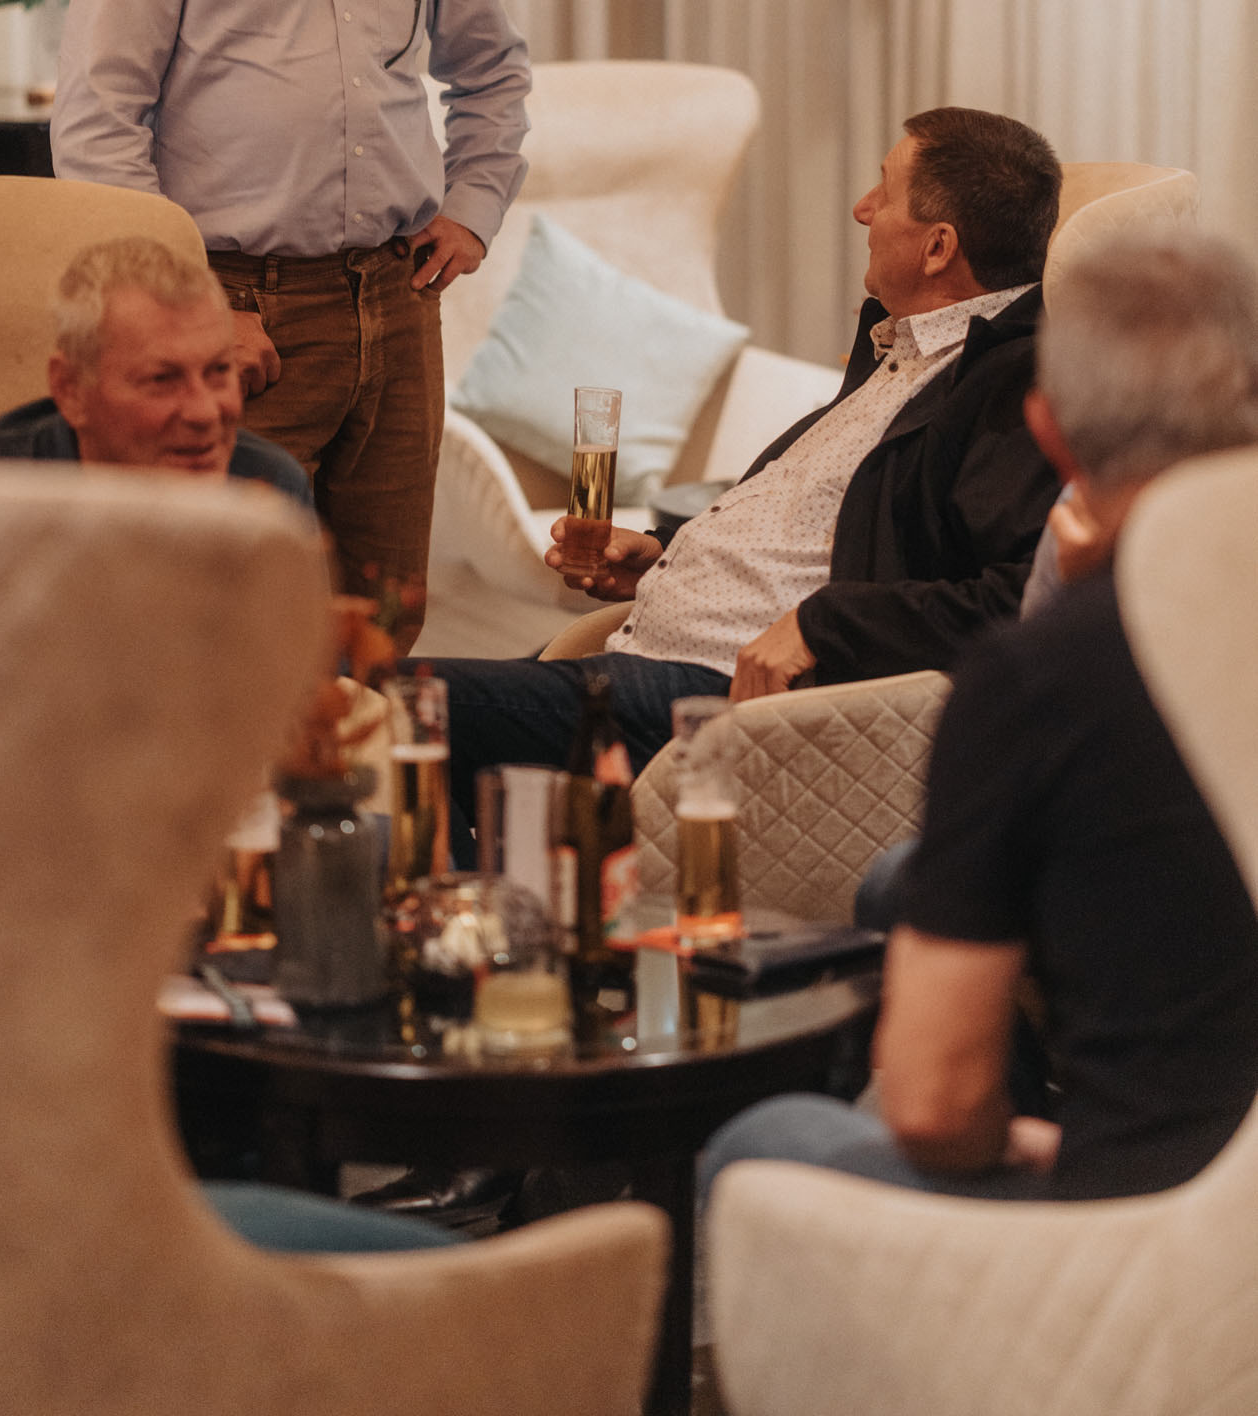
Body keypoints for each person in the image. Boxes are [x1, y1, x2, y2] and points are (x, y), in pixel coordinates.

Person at [702, 229, 1258, 1203]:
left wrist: (1030, 1142)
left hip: (1170, 1236)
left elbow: (932, 1109)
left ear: (1048, 432)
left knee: (765, 1139)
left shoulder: (1041, 676)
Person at [50, 0, 532, 642]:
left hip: (397, 305)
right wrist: (198, 308)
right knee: (227, 625)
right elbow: (97, 126)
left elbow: (491, 68)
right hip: (239, 316)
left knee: (386, 620)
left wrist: (474, 206)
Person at [415, 105, 1065, 842]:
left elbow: (1024, 594)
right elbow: (820, 525)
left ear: (938, 247)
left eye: (883, 192)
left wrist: (822, 625)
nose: (862, 209)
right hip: (645, 656)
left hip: (721, 696)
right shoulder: (903, 354)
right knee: (414, 738)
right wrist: (661, 554)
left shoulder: (1011, 382)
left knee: (397, 707)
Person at [0, 236, 311, 506]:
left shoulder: (270, 488)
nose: (205, 413)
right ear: (70, 389)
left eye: (219, 371)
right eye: (162, 379)